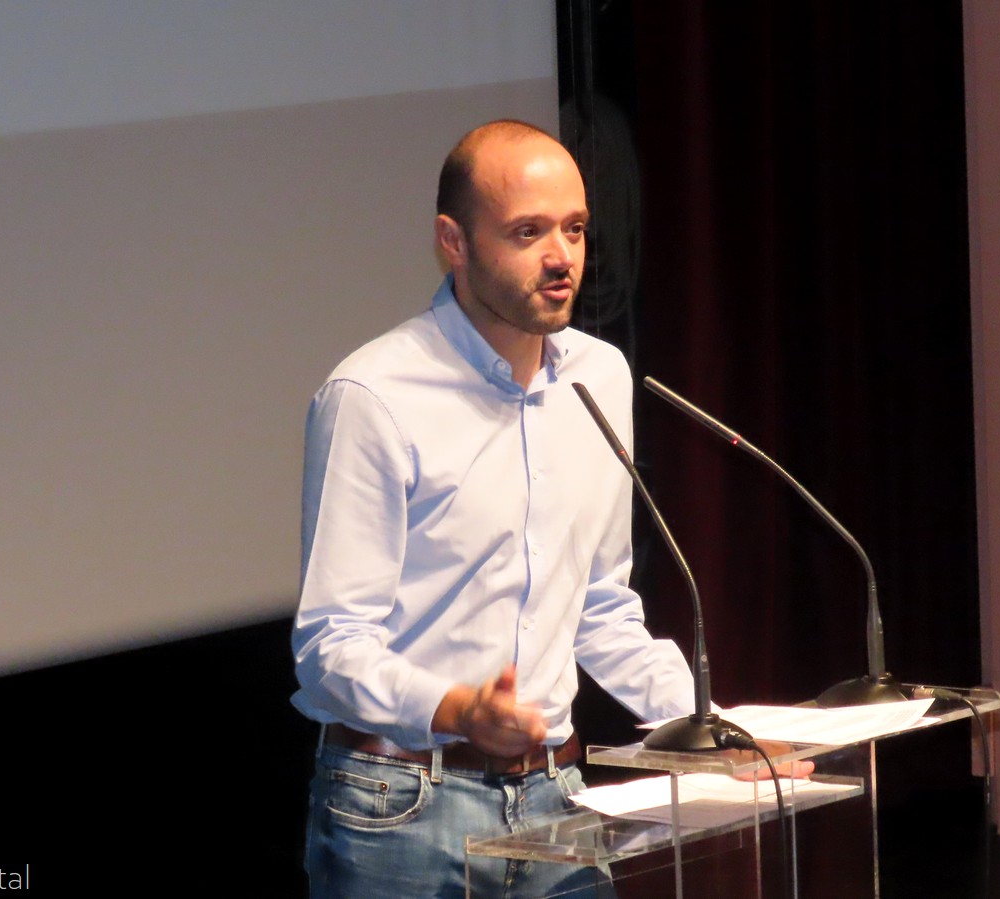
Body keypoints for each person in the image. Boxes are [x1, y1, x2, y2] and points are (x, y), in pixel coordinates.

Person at [292, 119, 698, 898]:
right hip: (402, 804)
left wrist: (708, 729)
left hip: (556, 796)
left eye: (575, 228)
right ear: (454, 241)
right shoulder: (373, 396)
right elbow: (330, 646)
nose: (562, 257)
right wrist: (456, 706)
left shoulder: (599, 377)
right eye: (527, 232)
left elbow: (600, 606)